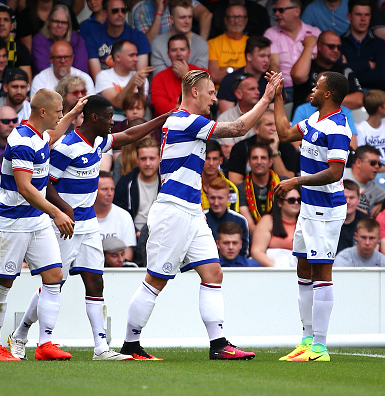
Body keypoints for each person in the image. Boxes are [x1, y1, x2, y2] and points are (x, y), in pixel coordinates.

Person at [119, 69, 282, 361]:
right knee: (155, 280)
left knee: (213, 273)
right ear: (195, 92)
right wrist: (267, 98)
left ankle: (218, 344)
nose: (215, 98)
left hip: (192, 210)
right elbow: (237, 129)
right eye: (211, 92)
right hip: (173, 211)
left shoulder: (185, 121)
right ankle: (130, 346)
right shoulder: (185, 120)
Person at [7, 95, 170, 361]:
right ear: (93, 118)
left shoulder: (100, 141)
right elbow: (44, 182)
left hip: (90, 226)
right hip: (65, 227)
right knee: (53, 285)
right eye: (108, 117)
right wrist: (61, 208)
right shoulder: (67, 146)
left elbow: (128, 135)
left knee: (95, 282)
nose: (112, 122)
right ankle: (22, 334)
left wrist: (161, 120)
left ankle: (101, 348)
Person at [0, 88, 78, 361]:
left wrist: (73, 113)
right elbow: (25, 188)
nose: (61, 115)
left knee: (53, 277)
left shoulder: (38, 136)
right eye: (58, 110)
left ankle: (44, 344)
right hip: (12, 223)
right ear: (43, 112)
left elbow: (54, 133)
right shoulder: (22, 141)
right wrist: (57, 213)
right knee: (4, 283)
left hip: (36, 222)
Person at [273, 70, 352, 362]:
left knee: (321, 271)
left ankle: (320, 346)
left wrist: (295, 181)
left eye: (318, 86)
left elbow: (335, 172)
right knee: (303, 269)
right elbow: (283, 133)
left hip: (327, 208)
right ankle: (307, 339)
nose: (313, 89)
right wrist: (277, 96)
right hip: (309, 207)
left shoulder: (339, 128)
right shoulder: (314, 120)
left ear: (328, 93)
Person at [291, 30, 363, 112]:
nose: (336, 50)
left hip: (334, 122)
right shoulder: (307, 66)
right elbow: (298, 76)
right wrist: (309, 46)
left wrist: (323, 98)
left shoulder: (345, 71)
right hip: (303, 119)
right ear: (319, 46)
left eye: (339, 47)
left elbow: (359, 100)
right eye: (331, 46)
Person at [264, 0, 321, 99]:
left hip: (311, 87)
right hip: (285, 88)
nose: (277, 14)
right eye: (275, 10)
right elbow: (273, 64)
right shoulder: (271, 33)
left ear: (297, 11)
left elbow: (319, 64)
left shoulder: (314, 32)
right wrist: (280, 90)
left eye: (281, 10)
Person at [80, 0, 151, 81]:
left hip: (133, 88)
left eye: (123, 10)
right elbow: (98, 79)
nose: (120, 14)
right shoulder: (92, 38)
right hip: (104, 89)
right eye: (115, 11)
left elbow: (141, 76)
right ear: (105, 13)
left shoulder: (139, 37)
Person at [228, 110, 300, 184]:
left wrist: (274, 151)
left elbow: (289, 181)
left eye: (276, 124)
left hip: (279, 193)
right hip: (248, 193)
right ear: (256, 129)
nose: (274, 128)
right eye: (269, 124)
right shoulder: (241, 147)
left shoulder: (288, 147)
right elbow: (235, 181)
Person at [94, 40, 152, 124]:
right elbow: (117, 103)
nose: (136, 59)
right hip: (110, 123)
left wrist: (141, 89)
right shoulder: (103, 76)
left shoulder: (141, 78)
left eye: (136, 55)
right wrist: (132, 82)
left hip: (135, 123)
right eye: (131, 55)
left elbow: (141, 107)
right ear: (117, 57)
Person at [151, 34, 209, 117]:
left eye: (182, 49)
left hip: (199, 126)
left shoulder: (203, 73)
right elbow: (162, 109)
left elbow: (204, 104)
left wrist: (186, 76)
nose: (178, 53)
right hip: (169, 127)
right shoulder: (159, 78)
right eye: (174, 50)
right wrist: (191, 109)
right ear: (168, 54)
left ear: (189, 52)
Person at [340, 0, 385, 91]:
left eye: (367, 15)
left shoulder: (381, 44)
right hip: (348, 95)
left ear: (371, 16)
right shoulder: (339, 43)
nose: (363, 19)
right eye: (358, 14)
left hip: (375, 95)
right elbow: (338, 73)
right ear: (349, 16)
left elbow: (382, 76)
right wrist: (368, 65)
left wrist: (349, 67)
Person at [113, 138, 161, 233]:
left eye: (152, 158)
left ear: (160, 159)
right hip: (132, 235)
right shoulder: (125, 183)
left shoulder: (167, 185)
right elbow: (118, 215)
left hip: (159, 234)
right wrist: (135, 233)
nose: (147, 163)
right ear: (137, 160)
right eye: (143, 159)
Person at [150, 0, 209, 76]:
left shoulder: (201, 44)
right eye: (182, 17)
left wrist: (184, 74)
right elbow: (159, 78)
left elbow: (201, 79)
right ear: (171, 19)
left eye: (190, 17)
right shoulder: (158, 43)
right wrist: (187, 74)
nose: (187, 21)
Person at [217, 35, 272, 114]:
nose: (266, 60)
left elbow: (274, 117)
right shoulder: (229, 81)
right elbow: (227, 119)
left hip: (264, 125)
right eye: (262, 56)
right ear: (249, 56)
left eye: (268, 56)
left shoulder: (271, 81)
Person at [237, 143, 283, 234]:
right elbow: (249, 225)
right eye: (255, 158)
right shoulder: (240, 188)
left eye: (263, 158)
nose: (259, 162)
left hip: (282, 235)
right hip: (254, 237)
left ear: (270, 161)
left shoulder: (283, 184)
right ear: (248, 162)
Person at [32, 5, 89, 75]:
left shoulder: (76, 40)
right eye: (56, 21)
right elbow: (43, 68)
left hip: (73, 83)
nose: (59, 25)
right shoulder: (39, 39)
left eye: (64, 22)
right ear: (49, 22)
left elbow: (81, 70)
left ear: (68, 25)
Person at [250, 187, 300, 267]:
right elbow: (256, 251)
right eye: (291, 200)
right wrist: (277, 268)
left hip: (300, 271)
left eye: (299, 200)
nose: (296, 203)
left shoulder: (305, 223)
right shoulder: (268, 220)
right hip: (272, 269)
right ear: (280, 202)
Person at [30, 41, 95, 99]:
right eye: (58, 57)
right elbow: (36, 109)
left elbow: (92, 107)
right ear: (51, 59)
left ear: (72, 58)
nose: (63, 61)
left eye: (66, 57)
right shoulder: (40, 79)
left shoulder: (85, 78)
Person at [95, 172, 137, 261]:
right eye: (104, 189)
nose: (110, 193)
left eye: (112, 189)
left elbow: (128, 254)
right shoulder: (83, 216)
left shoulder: (124, 216)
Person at [356, 90, 385, 168]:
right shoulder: (361, 129)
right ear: (380, 109)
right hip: (372, 170)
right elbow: (362, 158)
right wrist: (381, 169)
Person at [204, 177, 249, 257]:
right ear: (207, 198)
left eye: (220, 198)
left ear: (228, 198)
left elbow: (243, 252)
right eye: (213, 198)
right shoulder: (201, 220)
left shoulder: (240, 221)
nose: (216, 203)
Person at [132, 0, 212, 42]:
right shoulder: (141, 10)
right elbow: (147, 44)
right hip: (159, 55)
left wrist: (200, 44)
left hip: (185, 50)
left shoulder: (182, 1)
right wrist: (159, 12)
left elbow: (206, 15)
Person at [207, 4, 248, 85]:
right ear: (225, 20)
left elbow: (254, 75)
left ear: (246, 20)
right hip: (219, 92)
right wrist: (241, 72)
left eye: (240, 17)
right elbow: (214, 76)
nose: (236, 21)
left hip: (247, 93)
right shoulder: (212, 44)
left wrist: (228, 70)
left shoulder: (252, 43)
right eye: (233, 17)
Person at [343, 145, 385, 214]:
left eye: (379, 164)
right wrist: (358, 211)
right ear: (359, 162)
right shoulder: (339, 176)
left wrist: (382, 205)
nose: (377, 166)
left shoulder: (374, 188)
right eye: (373, 163)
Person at [217, 74, 260, 143]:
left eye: (258, 88)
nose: (257, 92)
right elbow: (228, 150)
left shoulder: (266, 115)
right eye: (252, 89)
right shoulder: (225, 119)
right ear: (239, 94)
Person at [201, 140, 239, 212]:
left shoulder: (230, 189)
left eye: (215, 159)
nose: (211, 163)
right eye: (207, 158)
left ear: (221, 160)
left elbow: (233, 219)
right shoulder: (190, 186)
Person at [337, 179, 369, 253]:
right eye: (344, 197)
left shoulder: (366, 220)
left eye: (351, 198)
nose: (348, 202)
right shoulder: (329, 220)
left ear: (358, 199)